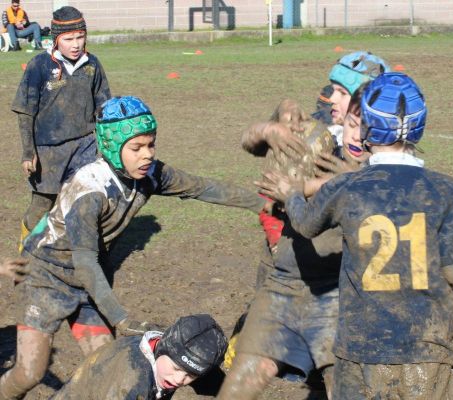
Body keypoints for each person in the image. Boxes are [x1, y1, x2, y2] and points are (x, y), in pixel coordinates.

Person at [257, 72, 453, 399]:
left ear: (368, 129)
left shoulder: (348, 186)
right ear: (420, 127)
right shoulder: (444, 189)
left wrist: (291, 194)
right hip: (427, 351)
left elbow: (305, 225)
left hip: (361, 351)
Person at [0, 96, 268, 400]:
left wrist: (263, 205)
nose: (147, 155)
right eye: (136, 148)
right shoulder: (89, 191)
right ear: (113, 148)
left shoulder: (149, 175)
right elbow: (85, 261)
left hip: (89, 283)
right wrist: (119, 318)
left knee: (105, 364)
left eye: (151, 144)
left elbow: (201, 187)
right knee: (30, 371)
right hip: (45, 278)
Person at [218, 52, 389, 400]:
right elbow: (250, 141)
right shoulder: (319, 132)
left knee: (344, 388)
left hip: (340, 291)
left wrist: (351, 182)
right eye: (336, 90)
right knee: (242, 382)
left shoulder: (388, 156)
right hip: (287, 278)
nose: (332, 99)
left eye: (343, 93)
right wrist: (269, 128)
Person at [12, 6, 111, 254]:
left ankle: (82, 254)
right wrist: (28, 152)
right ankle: (26, 252)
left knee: (84, 201)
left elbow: (104, 106)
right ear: (56, 40)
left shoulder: (92, 65)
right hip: (49, 151)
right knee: (43, 204)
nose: (76, 44)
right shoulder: (40, 65)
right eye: (68, 39)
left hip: (85, 147)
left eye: (80, 37)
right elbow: (25, 111)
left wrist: (107, 145)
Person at [51, 314, 228, 400]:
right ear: (163, 348)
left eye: (191, 375)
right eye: (177, 369)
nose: (179, 379)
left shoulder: (174, 348)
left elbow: (222, 384)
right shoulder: (133, 382)